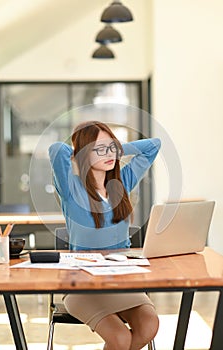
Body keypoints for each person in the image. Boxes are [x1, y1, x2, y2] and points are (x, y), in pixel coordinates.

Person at [49, 120, 161, 350]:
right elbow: (56, 150)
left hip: (121, 279)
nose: (108, 153)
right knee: (120, 338)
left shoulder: (122, 182)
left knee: (150, 325)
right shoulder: (71, 188)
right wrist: (82, 151)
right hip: (83, 285)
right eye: (99, 149)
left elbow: (154, 145)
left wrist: (117, 149)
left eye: (111, 147)